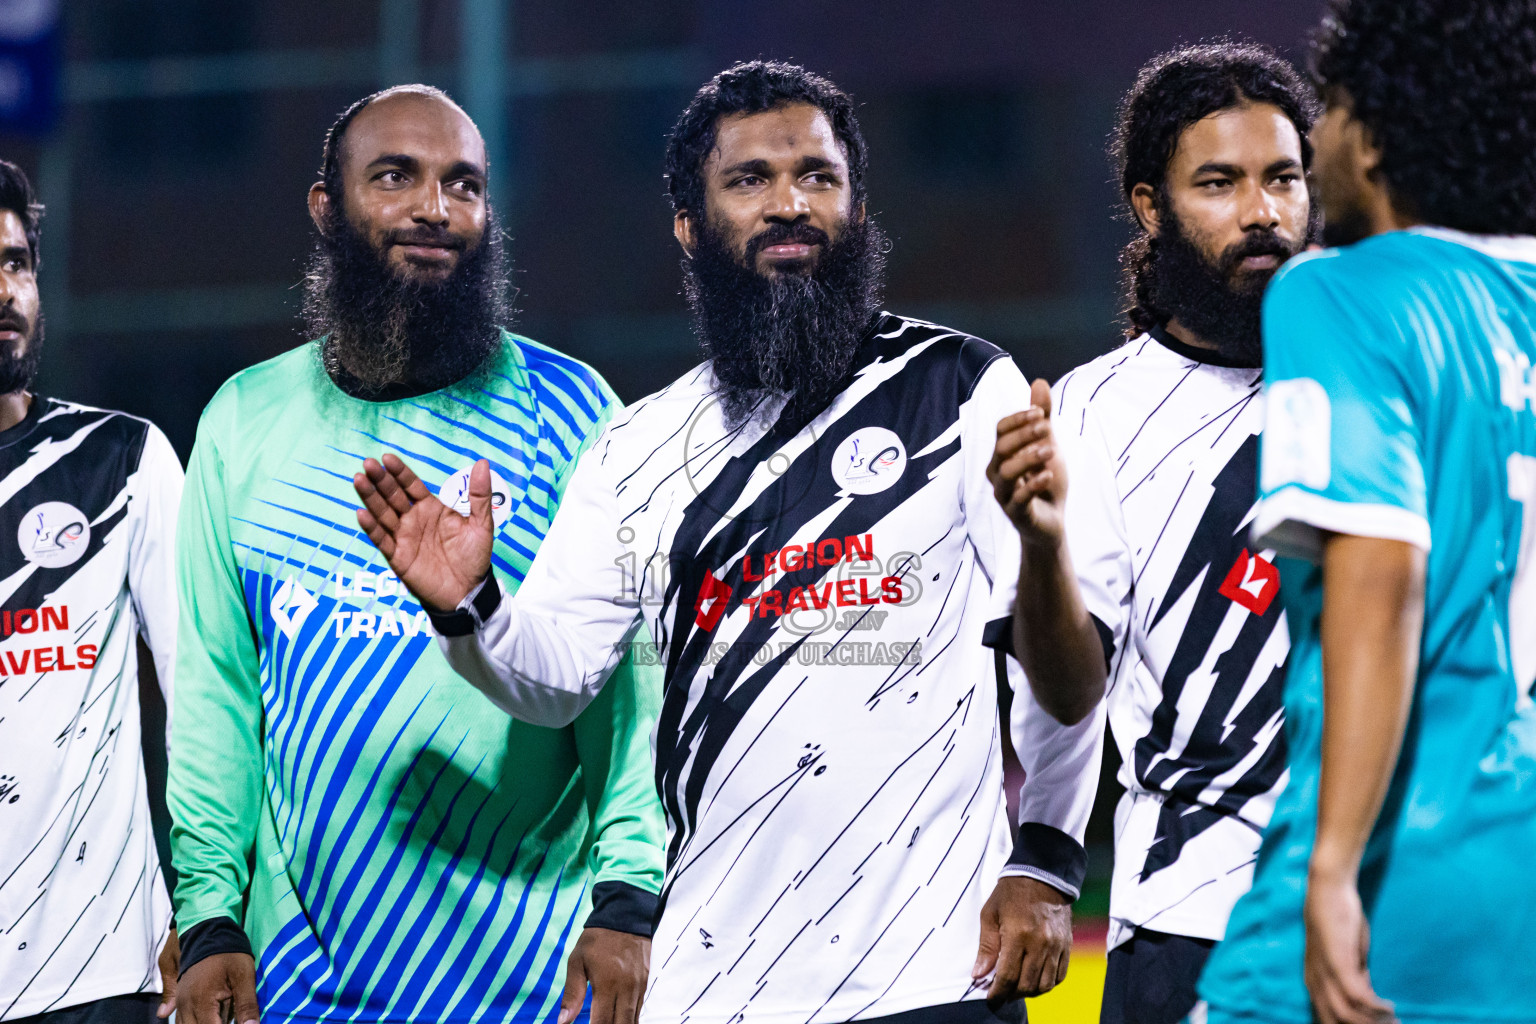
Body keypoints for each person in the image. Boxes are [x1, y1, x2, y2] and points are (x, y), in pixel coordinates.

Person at [353, 62, 1105, 1023]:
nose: (789, 203)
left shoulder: (959, 387)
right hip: (714, 989)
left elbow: (1068, 682)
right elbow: (556, 681)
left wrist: (1046, 855)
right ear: (689, 225)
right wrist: (469, 605)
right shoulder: (639, 444)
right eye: (748, 181)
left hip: (929, 977)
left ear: (857, 206)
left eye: (817, 177)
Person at [166, 86, 665, 1024]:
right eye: (395, 177)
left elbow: (628, 689)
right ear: (328, 207)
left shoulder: (575, 410)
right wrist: (209, 920)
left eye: (464, 186)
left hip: (537, 975)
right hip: (300, 982)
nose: (435, 209)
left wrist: (630, 897)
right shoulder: (242, 419)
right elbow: (216, 697)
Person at [1192, 2, 1536, 1022]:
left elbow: (1381, 576)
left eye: (1330, 107)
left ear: (1376, 137)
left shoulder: (1342, 293)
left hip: (1412, 865)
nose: (1316, 138)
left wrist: (1334, 866)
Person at [990, 42, 1318, 1024]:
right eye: (1218, 183)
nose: (1261, 212)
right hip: (1198, 914)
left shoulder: (1392, 372)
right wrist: (1041, 549)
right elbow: (1068, 684)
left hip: (1412, 897)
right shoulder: (1093, 412)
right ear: (1150, 206)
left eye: (1283, 179)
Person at [0, 160, 183, 1022]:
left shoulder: (121, 463)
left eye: (15, 262)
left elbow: (209, 705)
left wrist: (218, 915)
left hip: (103, 971)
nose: (6, 291)